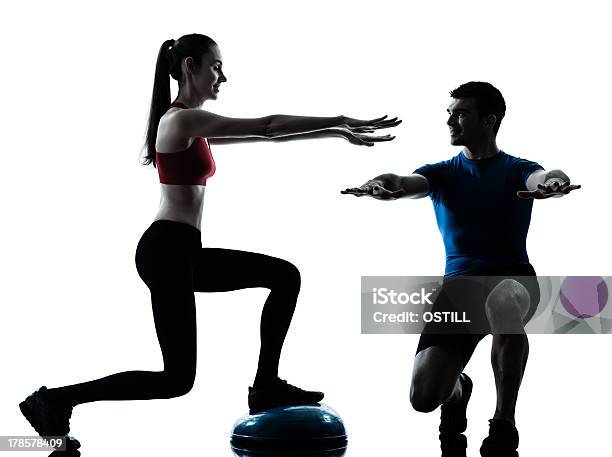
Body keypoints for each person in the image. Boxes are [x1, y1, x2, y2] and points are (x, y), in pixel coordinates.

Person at [19, 33, 401, 445]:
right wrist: (338, 120)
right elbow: (268, 127)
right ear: (190, 67)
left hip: (182, 251)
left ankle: (266, 384)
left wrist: (336, 132)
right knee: (176, 379)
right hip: (167, 251)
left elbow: (261, 135)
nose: (223, 76)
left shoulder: (190, 125)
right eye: (216, 66)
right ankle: (56, 400)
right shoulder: (180, 120)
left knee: (284, 276)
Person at [342, 81, 580, 457]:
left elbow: (545, 176)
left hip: (513, 279)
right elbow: (406, 182)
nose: (450, 120)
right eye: (449, 113)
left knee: (502, 302)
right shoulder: (442, 174)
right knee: (423, 398)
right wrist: (380, 184)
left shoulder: (517, 169)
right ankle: (458, 389)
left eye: (461, 113)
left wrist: (554, 184)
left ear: (489, 121)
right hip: (460, 290)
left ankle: (504, 423)